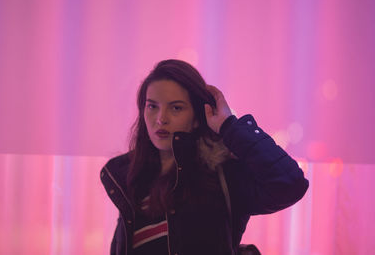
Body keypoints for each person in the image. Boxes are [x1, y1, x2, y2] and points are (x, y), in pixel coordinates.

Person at [100, 59, 309, 255]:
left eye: (176, 108)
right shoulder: (130, 179)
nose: (161, 119)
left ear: (197, 117)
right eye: (152, 106)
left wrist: (229, 127)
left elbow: (290, 184)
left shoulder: (220, 173)